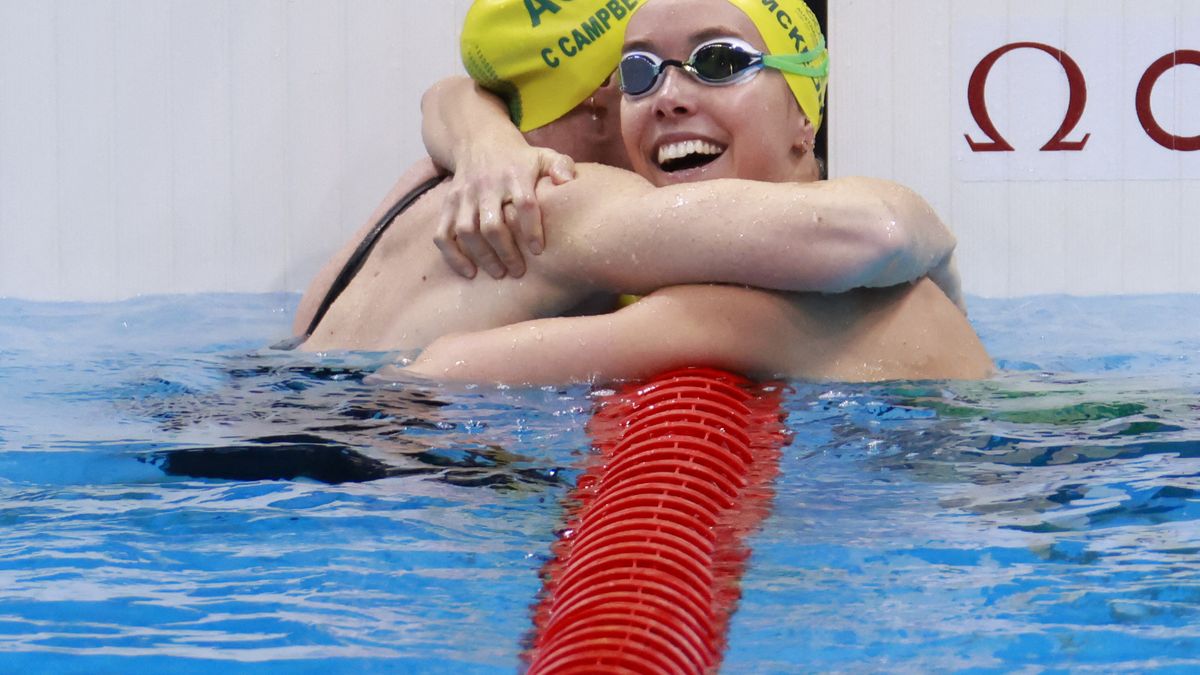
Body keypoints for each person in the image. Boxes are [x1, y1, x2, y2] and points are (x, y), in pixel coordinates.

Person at [292, 0, 973, 378]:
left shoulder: (423, 187)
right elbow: (876, 232)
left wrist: (475, 126)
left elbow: (445, 98)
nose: (668, 95)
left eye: (719, 62)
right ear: (602, 103)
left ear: (806, 113)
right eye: (639, 72)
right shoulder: (563, 197)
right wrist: (940, 255)